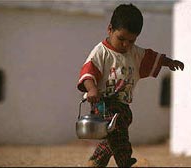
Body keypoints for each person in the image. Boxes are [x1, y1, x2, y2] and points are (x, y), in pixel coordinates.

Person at [77, 3, 184, 167]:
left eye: (131, 40)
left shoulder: (135, 53)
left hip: (123, 105)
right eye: (121, 39)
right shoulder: (101, 52)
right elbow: (88, 72)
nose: (126, 44)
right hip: (104, 103)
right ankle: (125, 162)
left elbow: (151, 57)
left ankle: (96, 162)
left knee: (115, 133)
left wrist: (169, 62)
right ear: (110, 29)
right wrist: (91, 89)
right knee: (119, 134)